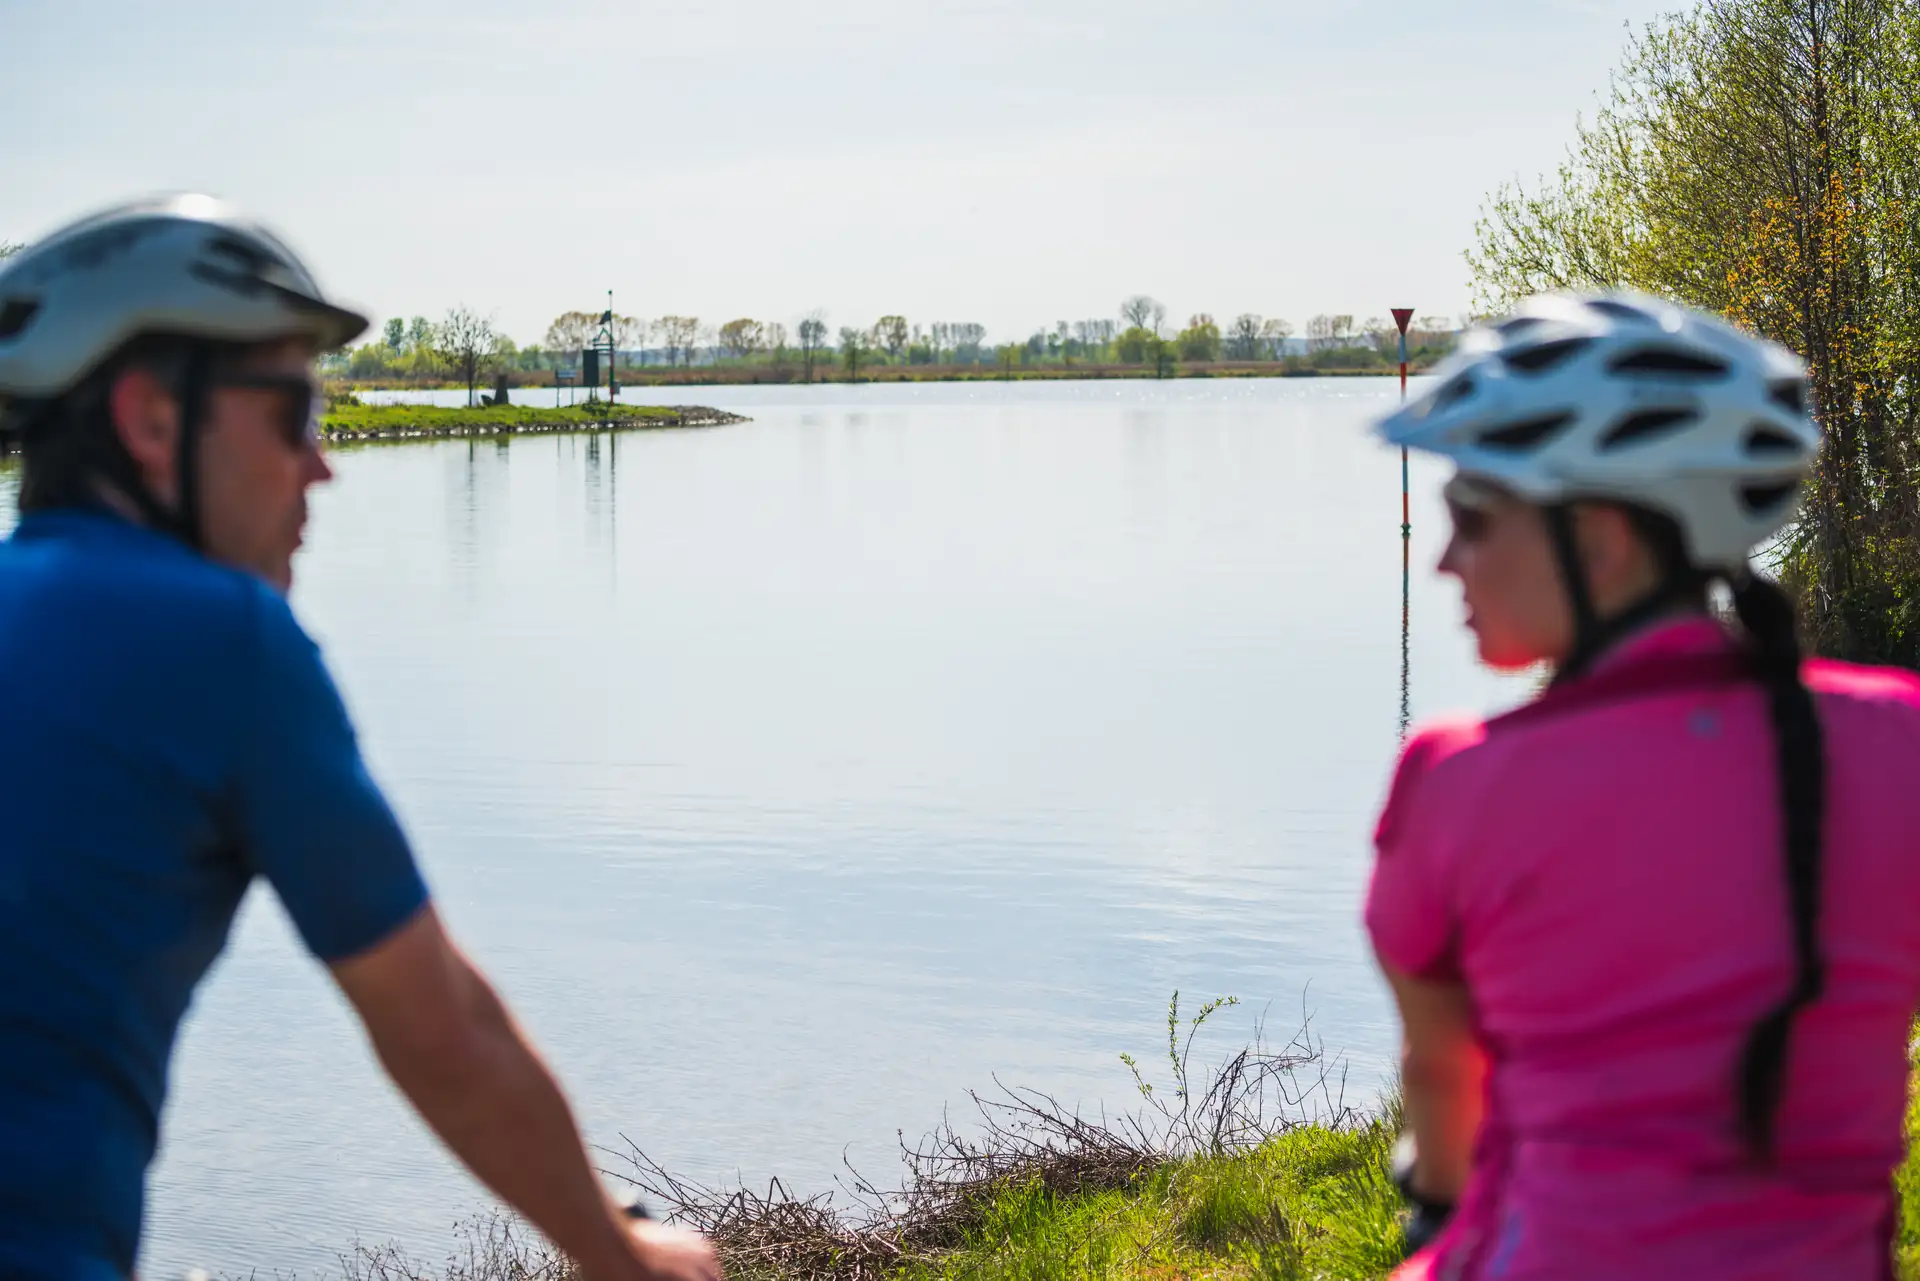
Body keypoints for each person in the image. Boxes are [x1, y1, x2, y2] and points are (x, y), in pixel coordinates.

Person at [0, 195, 721, 1281]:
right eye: (294, 413)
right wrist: (623, 1254)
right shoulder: (220, 643)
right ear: (151, 420)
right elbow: (444, 1034)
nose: (322, 465)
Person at [1366, 292, 1920, 1280]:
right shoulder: (1898, 735)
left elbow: (1443, 1079)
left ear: (1598, 540)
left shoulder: (1460, 779)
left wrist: (1435, 1205)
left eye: (1474, 518)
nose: (1446, 560)